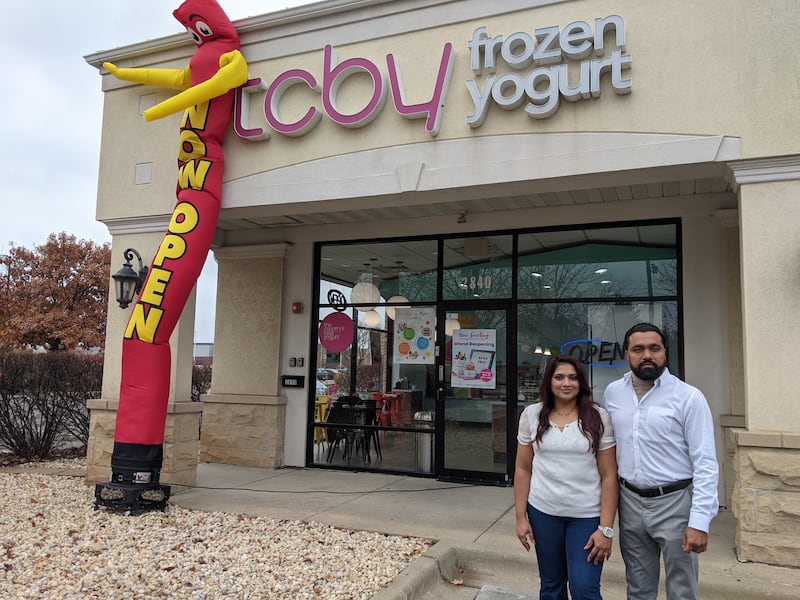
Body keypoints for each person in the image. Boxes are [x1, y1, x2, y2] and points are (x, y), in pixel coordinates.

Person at [601, 323, 719, 600]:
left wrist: (699, 521)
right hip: (629, 502)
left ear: (665, 352)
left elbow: (705, 462)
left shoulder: (688, 397)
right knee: (638, 587)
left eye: (654, 348)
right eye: (638, 349)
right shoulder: (612, 394)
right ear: (627, 354)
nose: (647, 355)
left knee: (682, 589)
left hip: (676, 503)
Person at [515, 354, 618, 600]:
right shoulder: (532, 415)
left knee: (584, 588)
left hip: (586, 516)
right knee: (551, 585)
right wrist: (521, 517)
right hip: (543, 513)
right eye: (559, 377)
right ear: (549, 381)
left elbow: (609, 475)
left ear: (581, 382)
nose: (566, 383)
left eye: (573, 377)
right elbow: (522, 468)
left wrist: (606, 529)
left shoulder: (598, 417)